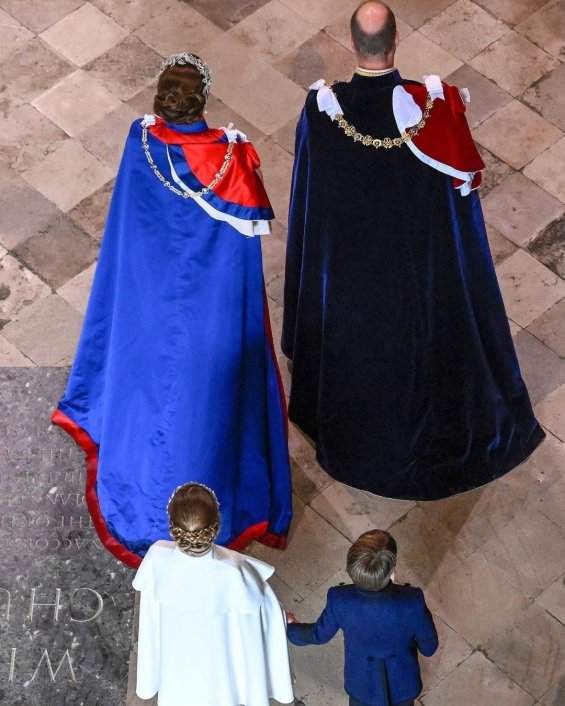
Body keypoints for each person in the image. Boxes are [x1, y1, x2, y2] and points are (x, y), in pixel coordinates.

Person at [281, 1, 544, 500]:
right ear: (395, 42)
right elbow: (461, 210)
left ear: (353, 44)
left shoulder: (322, 114)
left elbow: (309, 201)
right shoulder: (436, 109)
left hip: (356, 280)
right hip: (427, 278)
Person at [52, 53, 292, 568]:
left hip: (149, 297)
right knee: (207, 400)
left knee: (147, 391)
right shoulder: (233, 160)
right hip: (210, 312)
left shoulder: (140, 144)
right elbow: (241, 261)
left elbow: (130, 225)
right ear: (200, 101)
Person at [133, 482, 296, 705]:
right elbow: (261, 618)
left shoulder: (156, 559)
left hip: (178, 666)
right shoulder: (234, 570)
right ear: (216, 526)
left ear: (173, 528)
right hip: (222, 670)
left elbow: (152, 622)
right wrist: (283, 619)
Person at [287, 529, 438, 706]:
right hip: (402, 687)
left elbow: (318, 635)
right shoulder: (413, 601)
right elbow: (429, 648)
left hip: (361, 685)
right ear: (391, 570)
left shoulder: (339, 599)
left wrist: (289, 628)